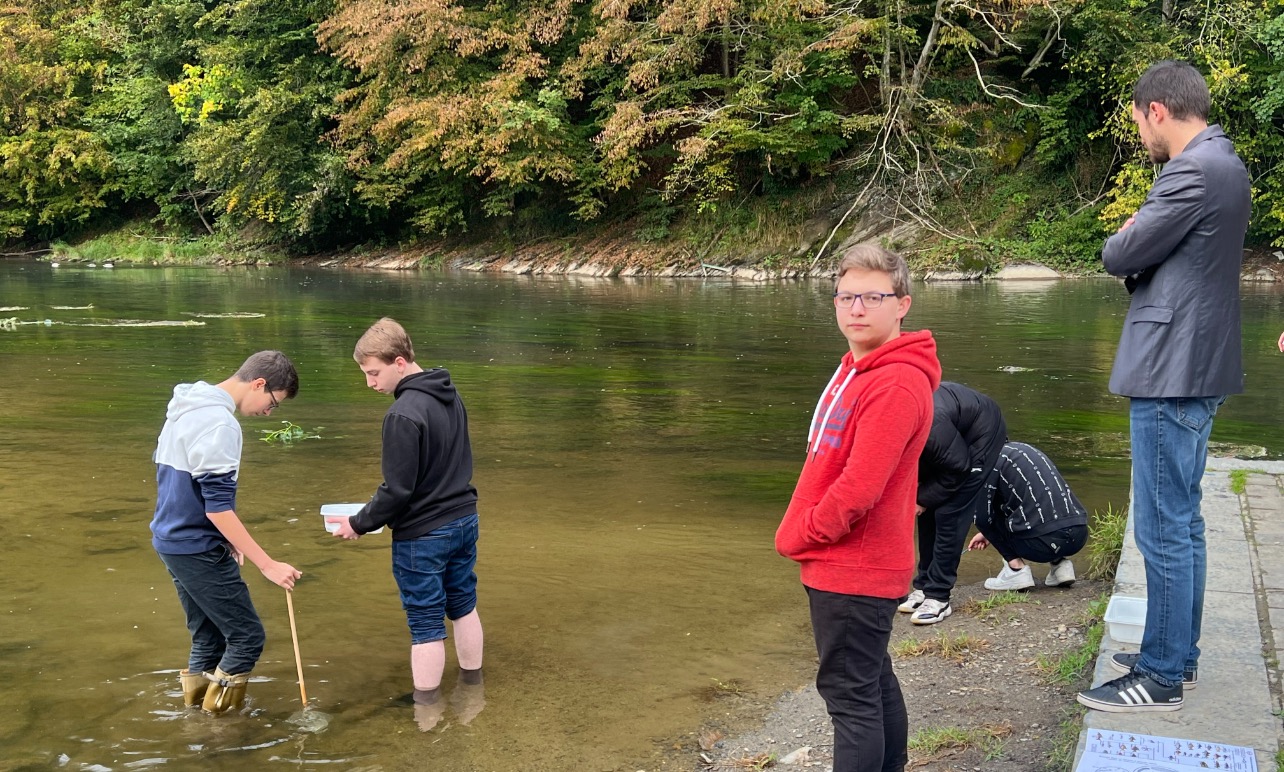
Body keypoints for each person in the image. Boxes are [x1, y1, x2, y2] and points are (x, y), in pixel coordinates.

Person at [1077, 60, 1251, 714]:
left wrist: (1126, 238)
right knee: (1185, 521)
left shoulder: (1191, 171)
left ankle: (1159, 676)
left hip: (1171, 368)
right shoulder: (1225, 164)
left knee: (1161, 526)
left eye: (1138, 124)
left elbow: (1122, 254)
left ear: (1157, 110)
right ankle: (1178, 653)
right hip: (1197, 362)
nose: (1142, 140)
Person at [775, 244, 941, 772]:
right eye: (846, 297)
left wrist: (807, 533)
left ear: (903, 305)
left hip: (853, 565)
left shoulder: (894, 381)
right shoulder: (862, 370)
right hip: (858, 563)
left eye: (873, 296)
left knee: (850, 697)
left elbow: (859, 487)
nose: (857, 309)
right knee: (870, 679)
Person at [327, 317, 484, 727]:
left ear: (399, 362)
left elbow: (397, 491)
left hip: (424, 535)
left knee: (425, 624)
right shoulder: (451, 394)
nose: (370, 383)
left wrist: (357, 523)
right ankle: (473, 689)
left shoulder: (403, 414)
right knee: (464, 606)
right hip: (464, 520)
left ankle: (426, 712)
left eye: (373, 373)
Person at [151, 351, 302, 714]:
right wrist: (267, 564)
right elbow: (216, 506)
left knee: (208, 636)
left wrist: (228, 540)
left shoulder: (187, 405)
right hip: (195, 544)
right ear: (259, 384)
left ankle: (195, 721)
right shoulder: (220, 424)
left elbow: (185, 488)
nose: (268, 413)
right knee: (248, 638)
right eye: (273, 403)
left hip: (171, 539)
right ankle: (219, 725)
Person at [899, 382, 1007, 624]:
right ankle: (924, 585)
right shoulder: (890, 422)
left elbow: (958, 469)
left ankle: (938, 596)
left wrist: (922, 499)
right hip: (947, 439)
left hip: (981, 433)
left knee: (949, 512)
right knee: (926, 513)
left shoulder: (929, 426)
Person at [966, 441, 1088, 591]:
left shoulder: (986, 462)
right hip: (1078, 534)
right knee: (1042, 508)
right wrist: (987, 534)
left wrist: (990, 532)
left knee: (978, 508)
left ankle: (1016, 570)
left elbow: (981, 518)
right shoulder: (1023, 450)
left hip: (1041, 544)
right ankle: (1060, 566)